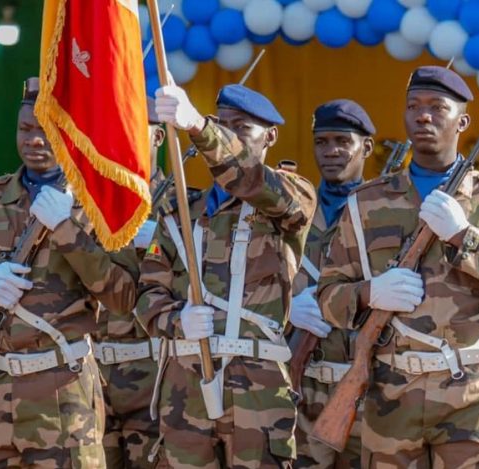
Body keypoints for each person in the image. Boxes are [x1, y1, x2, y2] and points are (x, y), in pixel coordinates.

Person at [316, 66, 479, 468]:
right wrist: (368, 293)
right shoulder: (367, 202)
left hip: (469, 397)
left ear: (462, 121)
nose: (423, 116)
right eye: (413, 106)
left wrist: (467, 237)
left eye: (436, 107)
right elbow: (328, 297)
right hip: (391, 393)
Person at [0, 77, 139, 468]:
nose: (34, 140)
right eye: (25, 129)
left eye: (46, 131)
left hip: (63, 393)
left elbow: (123, 295)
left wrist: (67, 229)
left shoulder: (97, 203)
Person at [136, 83, 316, 468]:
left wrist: (202, 128)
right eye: (225, 126)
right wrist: (176, 320)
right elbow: (148, 295)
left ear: (270, 137)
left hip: (256, 385)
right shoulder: (181, 211)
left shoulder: (290, 194)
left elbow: (251, 179)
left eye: (242, 129)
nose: (230, 136)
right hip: (187, 384)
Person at [290, 99, 375, 469]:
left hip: (367, 389)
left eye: (343, 141)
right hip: (302, 384)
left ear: (366, 148)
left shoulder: (384, 209)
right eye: (322, 142)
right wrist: (286, 307)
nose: (331, 152)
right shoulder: (293, 210)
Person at [94, 99, 172, 468]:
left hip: (154, 380)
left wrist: (168, 240)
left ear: (158, 137)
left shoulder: (181, 207)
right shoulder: (86, 202)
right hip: (91, 379)